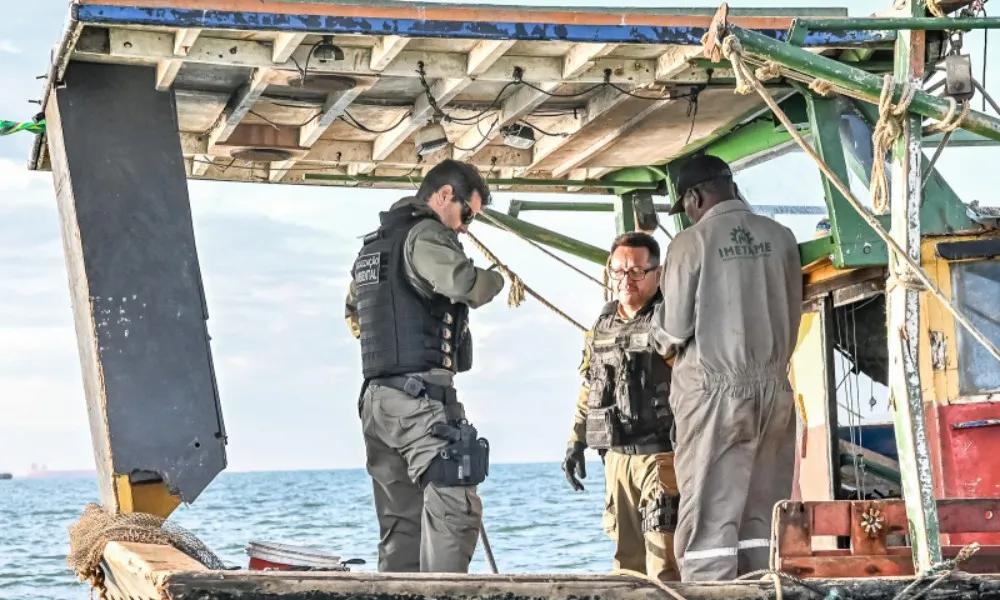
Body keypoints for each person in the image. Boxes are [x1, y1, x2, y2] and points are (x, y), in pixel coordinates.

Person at [344, 159, 506, 573]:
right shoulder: (427, 234)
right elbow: (464, 283)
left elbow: (355, 315)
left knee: (402, 526)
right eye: (467, 213)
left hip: (378, 402)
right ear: (445, 195)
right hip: (419, 400)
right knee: (455, 508)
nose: (465, 226)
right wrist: (498, 278)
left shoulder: (373, 247)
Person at [652, 154, 803, 582]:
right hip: (775, 392)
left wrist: (653, 331)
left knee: (709, 526)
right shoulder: (783, 237)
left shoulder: (689, 243)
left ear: (694, 197)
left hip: (716, 394)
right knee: (760, 521)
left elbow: (673, 329)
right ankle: (759, 588)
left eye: (686, 207)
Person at [562, 232, 680, 583]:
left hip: (661, 458)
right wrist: (576, 441)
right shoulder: (601, 326)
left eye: (637, 271)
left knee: (665, 563)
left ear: (657, 274)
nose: (626, 279)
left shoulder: (670, 323)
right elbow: (590, 387)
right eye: (618, 271)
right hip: (615, 460)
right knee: (625, 566)